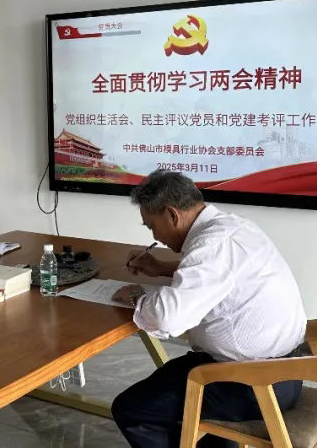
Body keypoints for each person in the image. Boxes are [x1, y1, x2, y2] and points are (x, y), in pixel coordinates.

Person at [109, 170, 306, 448]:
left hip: (250, 386)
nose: (156, 236)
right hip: (287, 372)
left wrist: (136, 295)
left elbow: (168, 318)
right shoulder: (232, 226)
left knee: (133, 410)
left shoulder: (212, 245)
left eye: (152, 226)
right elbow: (220, 274)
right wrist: (162, 268)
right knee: (173, 381)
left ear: (172, 215)